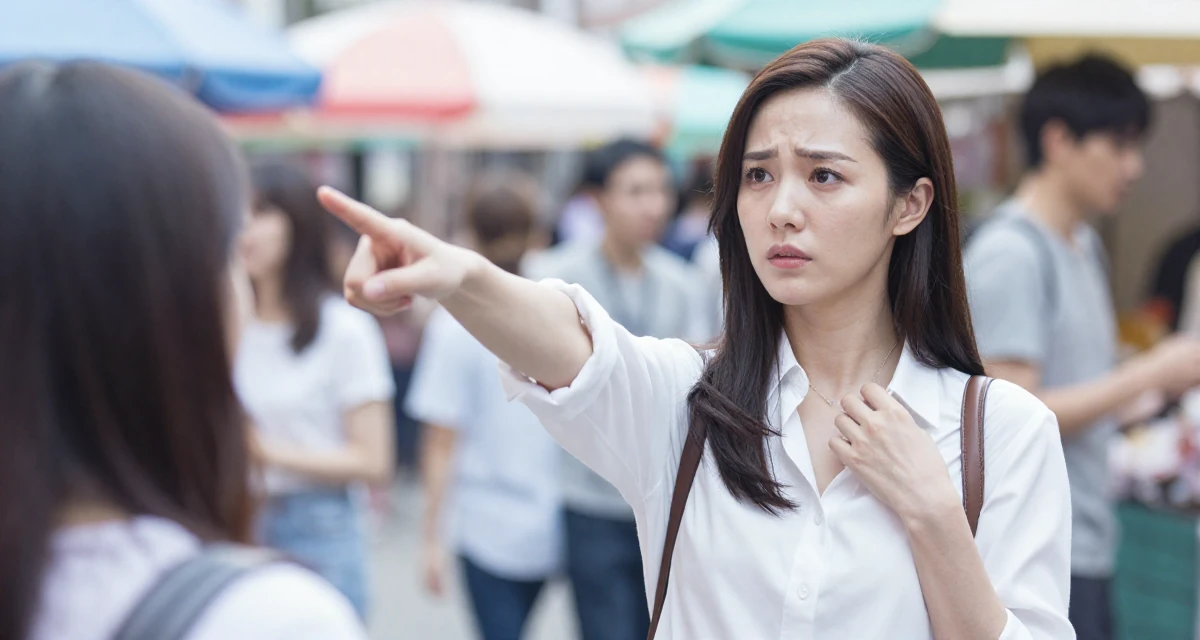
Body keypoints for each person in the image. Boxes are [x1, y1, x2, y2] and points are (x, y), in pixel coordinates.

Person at [322, 38, 1075, 639]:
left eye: (823, 177)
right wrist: (457, 276)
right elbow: (574, 347)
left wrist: (933, 515)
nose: (780, 208)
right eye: (756, 175)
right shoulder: (689, 406)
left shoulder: (1002, 434)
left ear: (909, 205)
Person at [0, 61, 366, 640]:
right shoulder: (268, 620)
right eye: (230, 246)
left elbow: (372, 457)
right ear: (175, 300)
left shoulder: (344, 329)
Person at [964, 54, 1200, 639]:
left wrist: (1146, 391)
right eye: (1119, 145)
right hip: (1034, 554)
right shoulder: (1012, 254)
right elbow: (1009, 417)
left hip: (1086, 540)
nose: (1134, 167)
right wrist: (1148, 374)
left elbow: (1080, 387)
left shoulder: (1083, 245)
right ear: (1059, 139)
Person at [521, 138, 694, 640]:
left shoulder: (681, 282)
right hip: (588, 494)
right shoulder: (555, 277)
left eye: (661, 190)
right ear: (597, 200)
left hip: (662, 494)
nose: (653, 205)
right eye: (636, 191)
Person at [407, 171, 564, 640]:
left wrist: (430, 536)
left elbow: (440, 440)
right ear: (537, 233)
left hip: (484, 523)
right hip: (553, 516)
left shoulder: (453, 323)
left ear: (470, 232)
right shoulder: (559, 305)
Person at [236, 162, 396, 619]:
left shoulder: (344, 330)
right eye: (238, 212)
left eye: (262, 212)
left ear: (298, 224)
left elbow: (373, 460)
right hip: (234, 522)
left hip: (318, 525)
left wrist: (264, 452)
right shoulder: (226, 322)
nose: (246, 228)